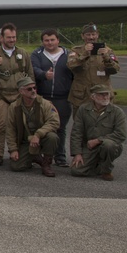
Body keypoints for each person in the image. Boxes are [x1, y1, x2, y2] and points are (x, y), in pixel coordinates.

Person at [0, 23, 32, 167]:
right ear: (2, 38)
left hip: (19, 95)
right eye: (9, 37)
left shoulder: (23, 53)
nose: (12, 40)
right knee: (1, 125)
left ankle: (17, 153)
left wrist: (32, 93)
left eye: (14, 37)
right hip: (0, 95)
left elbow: (30, 74)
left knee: (20, 125)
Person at [31, 30, 73, 167]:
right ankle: (41, 155)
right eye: (46, 40)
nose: (49, 43)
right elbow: (33, 69)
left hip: (63, 97)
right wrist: (44, 75)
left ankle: (60, 156)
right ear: (43, 42)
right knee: (40, 126)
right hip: (43, 96)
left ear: (58, 40)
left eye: (52, 40)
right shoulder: (37, 54)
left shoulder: (68, 55)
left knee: (60, 127)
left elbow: (76, 71)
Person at [70, 84, 127, 181]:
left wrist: (98, 140)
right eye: (101, 94)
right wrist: (77, 153)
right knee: (76, 171)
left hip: (109, 146)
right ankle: (99, 165)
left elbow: (121, 134)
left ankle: (106, 170)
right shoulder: (83, 109)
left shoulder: (117, 112)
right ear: (93, 96)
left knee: (108, 145)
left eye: (107, 94)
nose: (105, 97)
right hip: (89, 147)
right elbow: (76, 132)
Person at [7, 76, 59, 177]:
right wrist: (13, 150)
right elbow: (10, 130)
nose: (33, 91)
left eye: (34, 88)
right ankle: (35, 157)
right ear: (21, 91)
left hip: (42, 138)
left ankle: (46, 164)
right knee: (16, 167)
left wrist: (38, 134)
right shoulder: (14, 107)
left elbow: (54, 121)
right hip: (26, 141)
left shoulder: (45, 104)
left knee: (52, 137)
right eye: (29, 89)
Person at [67, 23, 120, 113]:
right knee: (81, 124)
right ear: (82, 36)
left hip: (102, 94)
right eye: (88, 35)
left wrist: (107, 58)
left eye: (93, 34)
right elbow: (71, 65)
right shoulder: (76, 50)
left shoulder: (108, 51)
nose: (91, 37)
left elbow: (115, 69)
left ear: (97, 35)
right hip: (82, 96)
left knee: (104, 123)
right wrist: (84, 54)